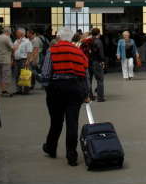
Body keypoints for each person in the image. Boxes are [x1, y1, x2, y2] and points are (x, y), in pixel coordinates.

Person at [41, 26, 89, 166]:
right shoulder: (79, 52)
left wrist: (47, 88)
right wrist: (86, 94)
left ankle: (51, 147)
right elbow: (85, 75)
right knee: (72, 122)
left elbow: (45, 73)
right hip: (75, 89)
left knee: (56, 121)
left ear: (58, 37)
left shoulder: (52, 50)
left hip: (57, 88)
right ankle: (71, 155)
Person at [0, 26, 14, 96]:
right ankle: (5, 90)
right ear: (8, 32)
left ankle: (2, 89)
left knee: (0, 75)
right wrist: (18, 44)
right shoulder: (7, 38)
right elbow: (13, 47)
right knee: (6, 75)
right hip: (5, 59)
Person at [13, 27, 33, 95]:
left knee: (25, 75)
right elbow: (14, 50)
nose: (16, 33)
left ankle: (26, 90)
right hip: (16, 60)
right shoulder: (16, 41)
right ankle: (19, 90)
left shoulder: (27, 42)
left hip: (24, 60)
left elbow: (29, 52)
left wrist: (28, 60)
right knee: (17, 75)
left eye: (17, 32)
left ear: (21, 33)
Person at [88, 27, 106, 102]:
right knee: (100, 80)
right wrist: (102, 61)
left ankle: (90, 96)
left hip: (88, 62)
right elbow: (100, 53)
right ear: (99, 33)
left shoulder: (88, 41)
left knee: (89, 80)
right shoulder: (98, 41)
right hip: (96, 62)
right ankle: (100, 97)